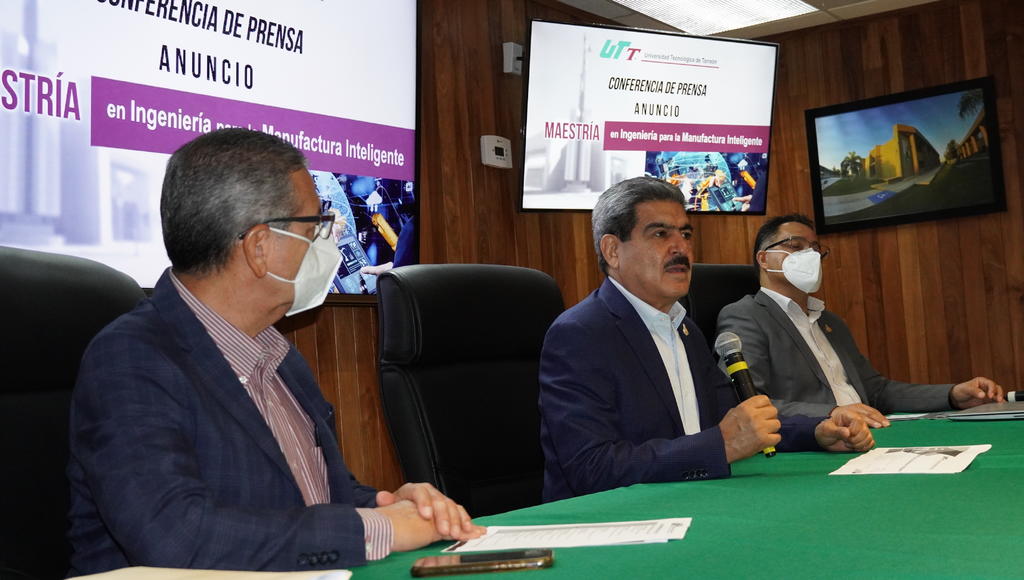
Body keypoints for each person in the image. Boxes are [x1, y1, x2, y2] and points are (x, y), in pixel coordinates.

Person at [67, 129, 484, 576]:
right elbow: (175, 537)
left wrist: (390, 505)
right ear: (259, 247)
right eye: (314, 227)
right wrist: (375, 528)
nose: (327, 241)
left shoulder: (277, 354)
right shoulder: (130, 359)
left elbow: (313, 496)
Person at [538, 177, 874, 503]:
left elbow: (736, 419)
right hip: (613, 520)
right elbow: (591, 468)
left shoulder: (685, 330)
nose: (681, 248)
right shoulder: (580, 333)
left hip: (690, 502)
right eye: (660, 234)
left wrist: (817, 431)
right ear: (613, 250)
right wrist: (720, 446)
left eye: (685, 234)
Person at [716, 213, 1005, 428]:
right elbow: (748, 403)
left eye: (815, 249)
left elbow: (876, 391)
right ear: (764, 259)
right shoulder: (745, 315)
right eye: (796, 246)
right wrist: (832, 413)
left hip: (873, 431)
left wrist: (953, 395)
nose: (810, 256)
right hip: (817, 442)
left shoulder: (830, 322)